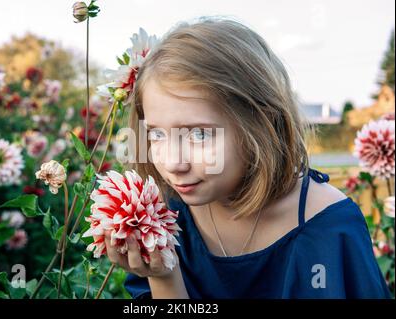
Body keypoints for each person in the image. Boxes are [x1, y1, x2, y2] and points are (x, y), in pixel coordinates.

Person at [102, 17, 392, 299]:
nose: (173, 163)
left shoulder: (330, 231)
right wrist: (164, 276)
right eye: (157, 134)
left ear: (260, 123)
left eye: (199, 135)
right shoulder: (164, 217)